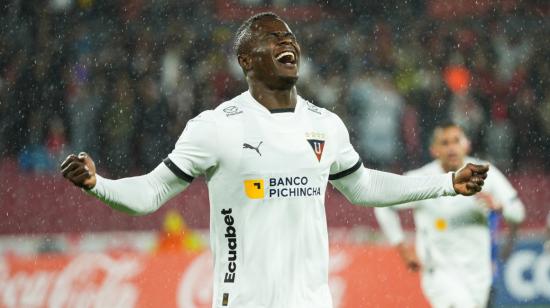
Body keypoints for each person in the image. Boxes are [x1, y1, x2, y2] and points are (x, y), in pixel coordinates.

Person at [61, 13, 489, 308]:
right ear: (245, 61)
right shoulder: (215, 127)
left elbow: (365, 187)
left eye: (290, 37)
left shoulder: (326, 124)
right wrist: (99, 184)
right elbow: (150, 193)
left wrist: (448, 183)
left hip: (313, 300)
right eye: (272, 37)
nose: (287, 42)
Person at [375, 122, 525, 308]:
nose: (451, 147)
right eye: (445, 143)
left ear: (466, 144)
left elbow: (518, 212)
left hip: (478, 275)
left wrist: (500, 207)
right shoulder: (421, 179)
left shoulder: (486, 174)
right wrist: (401, 246)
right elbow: (382, 203)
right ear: (434, 150)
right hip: (439, 274)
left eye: (456, 141)